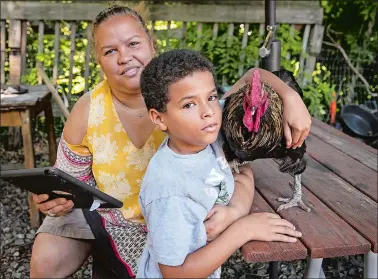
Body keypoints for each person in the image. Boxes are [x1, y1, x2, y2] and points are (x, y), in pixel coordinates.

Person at [30, 4, 311, 279]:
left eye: (133, 44)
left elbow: (251, 80)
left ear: (152, 44)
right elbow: (68, 179)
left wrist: (289, 96)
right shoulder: (88, 110)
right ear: (98, 59)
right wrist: (55, 198)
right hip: (107, 216)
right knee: (45, 260)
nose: (124, 57)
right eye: (110, 51)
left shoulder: (185, 91)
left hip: (169, 222)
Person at [136, 49, 302, 278]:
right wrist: (243, 229)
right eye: (188, 105)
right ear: (159, 118)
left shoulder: (209, 131)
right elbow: (174, 274)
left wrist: (291, 97)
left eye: (212, 97)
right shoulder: (169, 192)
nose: (208, 112)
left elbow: (252, 75)